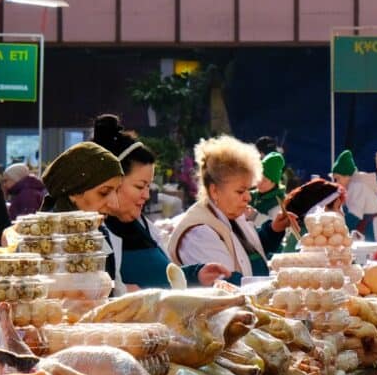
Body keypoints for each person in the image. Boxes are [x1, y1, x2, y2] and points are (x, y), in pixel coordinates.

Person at [92, 115, 229, 288]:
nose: (146, 195)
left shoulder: (142, 225)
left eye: (149, 186)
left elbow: (164, 277)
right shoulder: (94, 238)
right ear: (112, 183)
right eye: (140, 186)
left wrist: (196, 275)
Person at [168, 135, 292, 283]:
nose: (248, 197)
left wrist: (274, 229)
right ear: (214, 191)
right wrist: (275, 283)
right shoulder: (199, 233)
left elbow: (250, 251)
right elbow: (227, 283)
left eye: (248, 190)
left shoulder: (233, 216)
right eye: (240, 191)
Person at [40, 141, 125, 292]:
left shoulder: (101, 234)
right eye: (104, 192)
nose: (114, 204)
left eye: (116, 191)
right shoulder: (42, 241)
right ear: (74, 193)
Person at [331, 149, 377, 241]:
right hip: (368, 227)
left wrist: (336, 227)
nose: (337, 182)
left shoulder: (357, 186)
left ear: (347, 176)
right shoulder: (352, 187)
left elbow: (354, 216)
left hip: (373, 228)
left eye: (338, 178)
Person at [279, 178, 346, 252]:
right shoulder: (310, 241)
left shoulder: (301, 236)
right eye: (338, 207)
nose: (342, 214)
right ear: (320, 211)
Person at [250, 151, 286, 228]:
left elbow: (279, 229)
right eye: (259, 178)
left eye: (265, 180)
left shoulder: (279, 203)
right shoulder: (251, 195)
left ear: (274, 182)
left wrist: (255, 216)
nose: (259, 183)